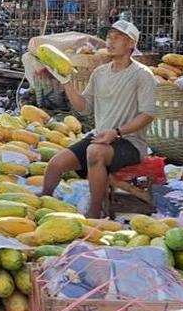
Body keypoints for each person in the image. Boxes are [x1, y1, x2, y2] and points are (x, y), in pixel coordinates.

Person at [39, 20, 157, 219]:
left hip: (130, 142)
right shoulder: (100, 73)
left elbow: (148, 115)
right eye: (109, 37)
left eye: (117, 38)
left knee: (94, 152)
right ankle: (41, 202)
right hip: (101, 137)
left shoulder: (142, 75)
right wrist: (65, 81)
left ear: (131, 44)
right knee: (55, 165)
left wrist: (117, 132)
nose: (110, 42)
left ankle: (95, 212)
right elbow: (84, 108)